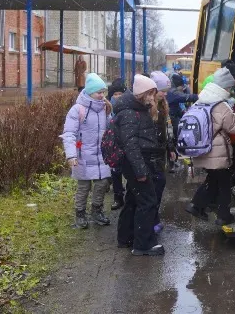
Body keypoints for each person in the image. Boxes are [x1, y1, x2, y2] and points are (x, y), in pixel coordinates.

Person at [113, 74, 166, 256]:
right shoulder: (129, 113)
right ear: (143, 93)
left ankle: (126, 237)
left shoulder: (136, 108)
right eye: (151, 93)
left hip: (138, 161)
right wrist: (141, 171)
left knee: (134, 200)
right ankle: (143, 244)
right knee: (147, 201)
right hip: (137, 162)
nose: (153, 96)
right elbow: (131, 145)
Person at [185, 68, 235, 226]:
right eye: (230, 88)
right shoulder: (221, 106)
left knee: (213, 179)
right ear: (224, 88)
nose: (231, 91)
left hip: (202, 148)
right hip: (217, 151)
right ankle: (223, 216)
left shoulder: (201, 100)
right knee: (224, 183)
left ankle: (196, 205)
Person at [61, 73, 111, 229]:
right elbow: (69, 133)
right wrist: (71, 155)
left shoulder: (105, 108)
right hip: (83, 156)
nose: (102, 95)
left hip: (101, 155)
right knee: (84, 187)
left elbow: (110, 130)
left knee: (102, 183)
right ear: (90, 92)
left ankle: (97, 210)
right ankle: (80, 214)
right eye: (99, 92)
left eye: (103, 92)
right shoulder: (78, 110)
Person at [149, 71, 175, 234]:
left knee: (160, 184)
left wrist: (170, 148)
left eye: (166, 91)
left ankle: (154, 215)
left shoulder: (163, 106)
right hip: (151, 153)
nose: (165, 94)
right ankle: (151, 219)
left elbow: (168, 128)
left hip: (161, 153)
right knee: (153, 187)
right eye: (162, 90)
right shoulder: (147, 107)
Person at [107, 78, 127, 210]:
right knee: (115, 172)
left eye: (120, 94)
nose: (118, 97)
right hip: (113, 144)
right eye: (115, 94)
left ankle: (130, 195)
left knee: (128, 171)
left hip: (126, 143)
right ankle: (118, 197)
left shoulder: (128, 107)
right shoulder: (108, 110)